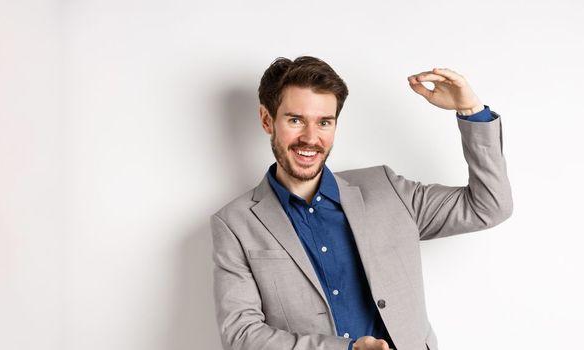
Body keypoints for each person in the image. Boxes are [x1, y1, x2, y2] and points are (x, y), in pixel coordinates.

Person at [211, 56, 512, 350]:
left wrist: (470, 110)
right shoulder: (236, 223)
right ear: (267, 120)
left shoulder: (387, 188)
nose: (310, 137)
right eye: (295, 120)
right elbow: (241, 336)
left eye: (324, 122)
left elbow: (489, 205)